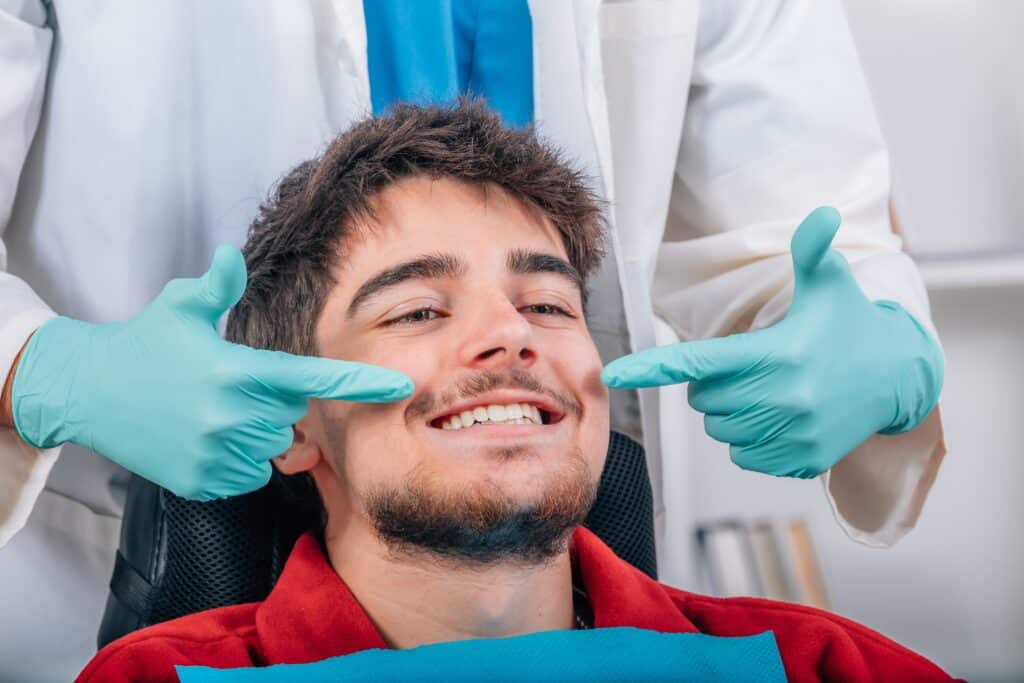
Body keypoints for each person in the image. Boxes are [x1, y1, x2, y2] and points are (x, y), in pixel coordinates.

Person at [0, 2, 945, 678]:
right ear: (296, 418)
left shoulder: (824, 663)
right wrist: (46, 367)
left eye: (550, 304)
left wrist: (882, 341)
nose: (509, 336)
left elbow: (813, 229)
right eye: (418, 310)